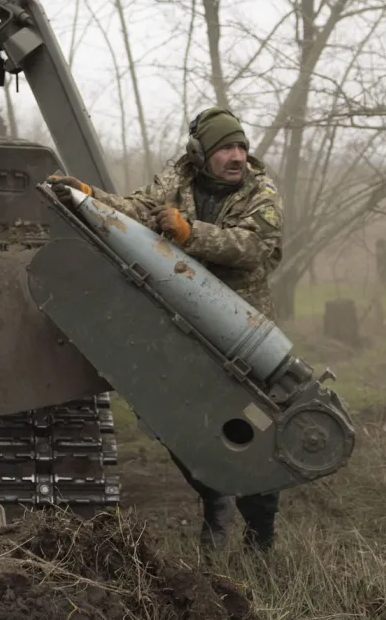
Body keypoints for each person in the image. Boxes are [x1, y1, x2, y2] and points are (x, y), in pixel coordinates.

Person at [49, 107, 284, 551]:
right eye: (225, 148)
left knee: (253, 428)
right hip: (184, 324)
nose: (236, 156)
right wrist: (88, 196)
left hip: (243, 331)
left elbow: (253, 247)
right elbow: (138, 209)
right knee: (180, 422)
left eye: (241, 147)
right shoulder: (177, 177)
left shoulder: (261, 191)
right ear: (201, 153)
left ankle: (260, 533)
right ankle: (214, 503)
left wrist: (189, 231)